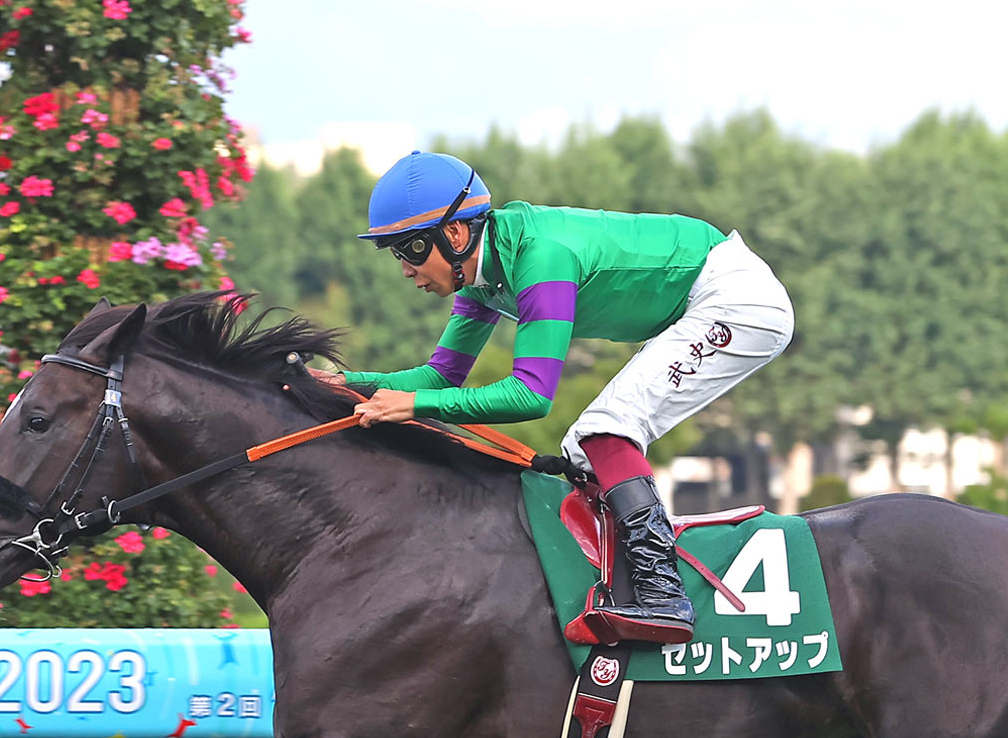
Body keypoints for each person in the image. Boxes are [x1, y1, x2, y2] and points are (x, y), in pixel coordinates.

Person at [325, 151, 794, 644]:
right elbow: (441, 376)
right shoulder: (484, 277)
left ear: (456, 234)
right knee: (583, 448)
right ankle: (626, 581)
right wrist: (344, 383)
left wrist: (412, 407)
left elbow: (530, 395)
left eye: (410, 249)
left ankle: (664, 596)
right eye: (396, 253)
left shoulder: (540, 256)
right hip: (701, 297)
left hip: (736, 301)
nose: (404, 268)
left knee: (604, 432)